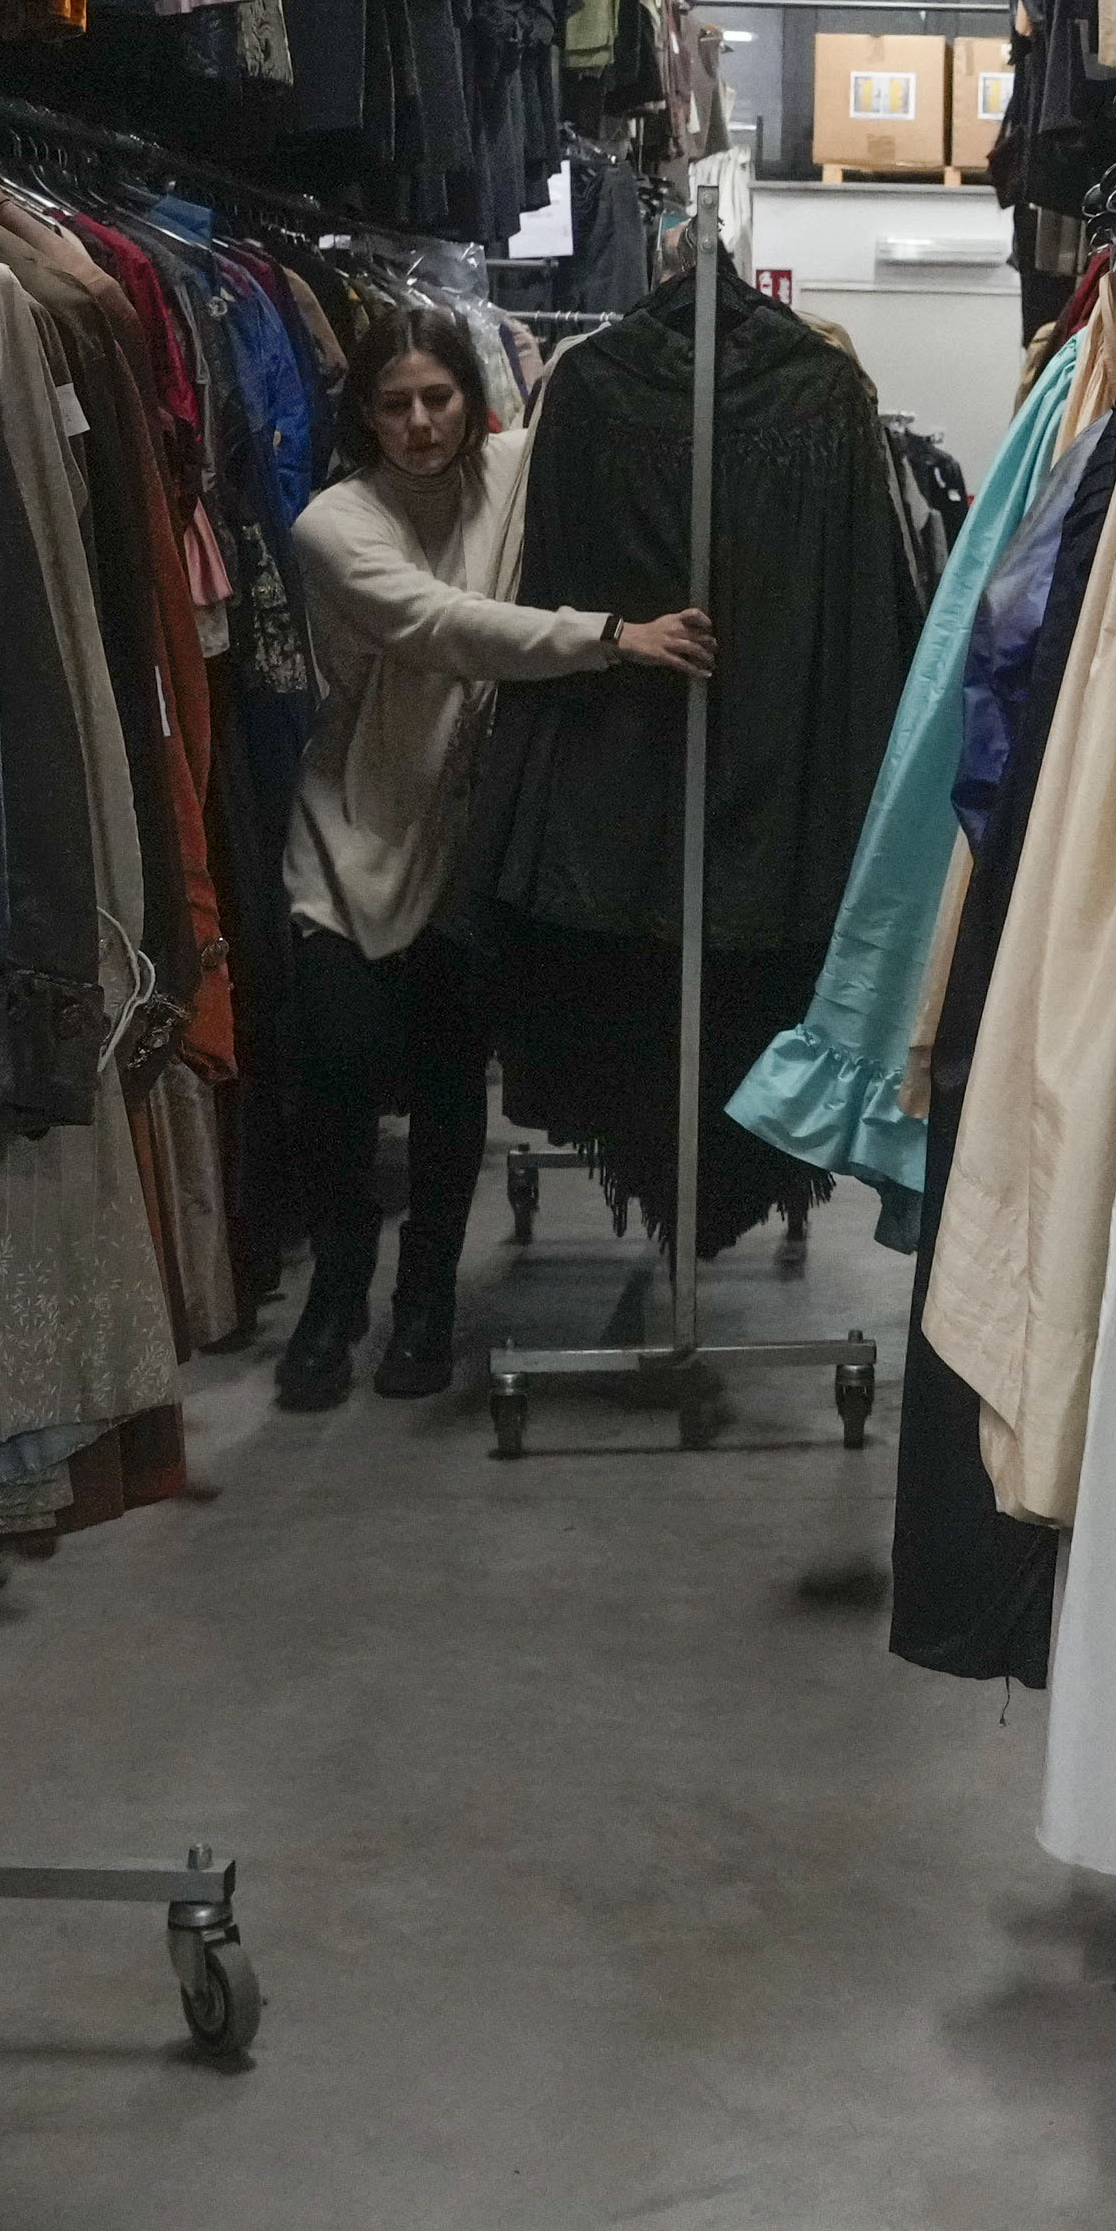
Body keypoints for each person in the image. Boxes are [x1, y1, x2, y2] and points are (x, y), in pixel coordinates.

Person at [271, 295, 715, 1408]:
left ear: (472, 399)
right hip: (354, 834)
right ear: (366, 417)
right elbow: (442, 624)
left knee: (445, 1081)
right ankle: (337, 1294)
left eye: (438, 397)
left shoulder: (511, 470)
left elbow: (588, 393)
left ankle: (424, 1301)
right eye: (395, 405)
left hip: (469, 848)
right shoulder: (334, 523)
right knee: (335, 1074)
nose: (420, 422)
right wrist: (611, 638)